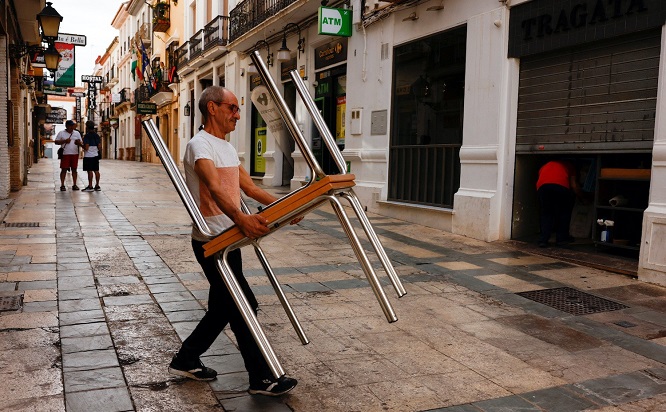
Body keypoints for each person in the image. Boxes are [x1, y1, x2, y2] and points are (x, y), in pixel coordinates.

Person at [168, 86, 299, 397]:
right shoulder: (200, 146)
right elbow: (213, 189)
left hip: (231, 240)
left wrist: (287, 206)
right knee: (243, 305)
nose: (238, 115)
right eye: (232, 108)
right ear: (212, 108)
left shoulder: (225, 147)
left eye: (238, 110)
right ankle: (260, 379)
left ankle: (186, 359)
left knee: (223, 308)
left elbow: (250, 189)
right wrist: (243, 219)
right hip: (212, 243)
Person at [536, 160, 582, 247]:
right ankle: (562, 239)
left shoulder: (545, 165)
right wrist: (582, 197)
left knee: (546, 213)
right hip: (560, 187)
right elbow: (574, 185)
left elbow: (542, 179)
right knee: (563, 213)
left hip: (543, 188)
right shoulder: (570, 165)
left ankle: (543, 240)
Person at [55, 120, 83, 191]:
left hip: (74, 154)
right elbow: (56, 142)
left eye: (72, 125)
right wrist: (64, 141)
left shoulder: (77, 133)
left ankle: (74, 184)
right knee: (63, 169)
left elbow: (81, 142)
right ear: (66, 126)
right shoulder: (61, 133)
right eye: (70, 125)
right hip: (65, 154)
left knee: (74, 169)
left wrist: (78, 143)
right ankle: (62, 185)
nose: (71, 127)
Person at [82, 120, 102, 192]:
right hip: (95, 155)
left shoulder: (87, 136)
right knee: (96, 170)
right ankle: (97, 185)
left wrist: (80, 144)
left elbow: (86, 147)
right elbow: (99, 146)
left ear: (87, 127)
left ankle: (90, 186)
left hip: (88, 156)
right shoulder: (96, 135)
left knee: (89, 171)